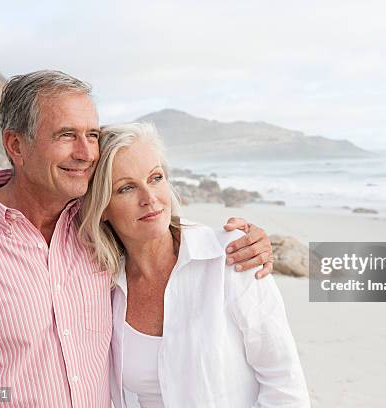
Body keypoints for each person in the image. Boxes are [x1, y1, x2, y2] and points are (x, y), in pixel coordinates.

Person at [0, 70, 274, 407]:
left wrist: (241, 242)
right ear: (16, 145)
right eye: (66, 135)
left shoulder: (94, 229)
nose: (86, 152)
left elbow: (150, 219)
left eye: (91, 134)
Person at [79, 122, 310, 407]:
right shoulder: (98, 283)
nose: (150, 198)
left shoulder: (232, 256)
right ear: (100, 208)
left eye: (155, 178)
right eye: (126, 188)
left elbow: (284, 383)